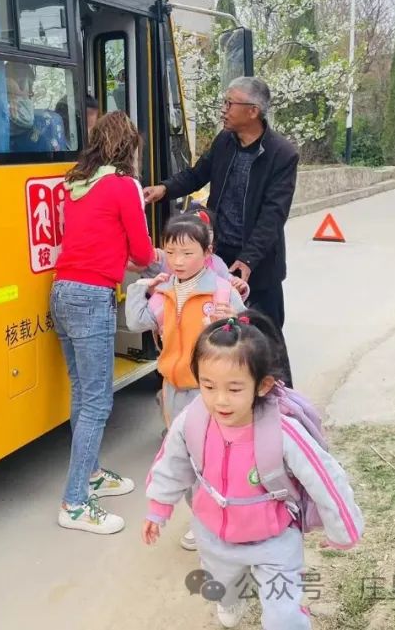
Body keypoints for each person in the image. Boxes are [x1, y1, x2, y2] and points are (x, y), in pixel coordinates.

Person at [141, 316, 363, 629]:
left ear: (263, 385)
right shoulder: (193, 420)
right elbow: (171, 464)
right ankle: (232, 601)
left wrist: (343, 530)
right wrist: (158, 509)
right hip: (214, 538)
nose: (220, 400)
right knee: (225, 594)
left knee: (283, 616)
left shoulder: (283, 432)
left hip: (274, 540)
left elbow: (325, 478)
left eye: (234, 388)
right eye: (208, 386)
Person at [143, 77, 298, 373]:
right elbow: (197, 174)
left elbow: (273, 215)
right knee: (216, 336)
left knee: (266, 339)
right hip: (219, 256)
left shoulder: (282, 154)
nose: (223, 110)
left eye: (229, 103)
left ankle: (282, 409)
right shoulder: (224, 141)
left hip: (259, 265)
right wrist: (164, 189)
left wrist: (248, 259)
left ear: (253, 111)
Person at [52, 110, 160, 535]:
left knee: (83, 391)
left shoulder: (75, 184)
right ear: (128, 147)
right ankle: (75, 501)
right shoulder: (123, 186)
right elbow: (141, 252)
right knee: (98, 401)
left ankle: (92, 473)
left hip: (62, 292)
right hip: (92, 295)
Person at [124, 212, 246, 551]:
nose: (178, 261)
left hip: (208, 394)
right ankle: (205, 520)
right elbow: (136, 323)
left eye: (187, 253)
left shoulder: (221, 293)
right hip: (173, 391)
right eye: (171, 252)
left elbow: (246, 336)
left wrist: (235, 320)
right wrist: (138, 289)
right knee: (187, 462)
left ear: (207, 254)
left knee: (210, 462)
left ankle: (220, 522)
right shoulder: (163, 293)